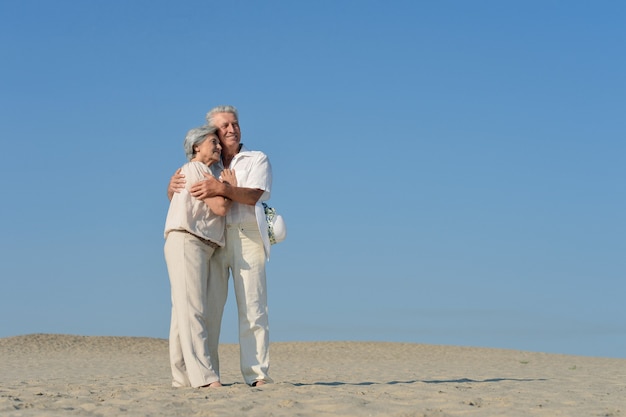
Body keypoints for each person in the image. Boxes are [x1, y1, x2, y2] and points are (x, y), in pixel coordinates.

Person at [168, 105, 273, 386]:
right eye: (224, 126)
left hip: (247, 234)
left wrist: (223, 189)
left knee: (253, 307)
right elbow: (184, 196)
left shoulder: (256, 158)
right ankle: (207, 373)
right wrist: (170, 187)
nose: (231, 129)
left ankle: (256, 375)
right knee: (208, 310)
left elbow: (253, 195)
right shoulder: (207, 165)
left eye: (234, 123)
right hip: (213, 241)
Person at [164, 125, 237, 388]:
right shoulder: (195, 169)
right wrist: (228, 186)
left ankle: (182, 376)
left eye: (219, 143)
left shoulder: (204, 172)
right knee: (193, 309)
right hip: (187, 240)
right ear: (196, 146)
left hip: (201, 244)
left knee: (183, 311)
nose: (218, 147)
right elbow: (219, 207)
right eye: (212, 142)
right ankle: (204, 378)